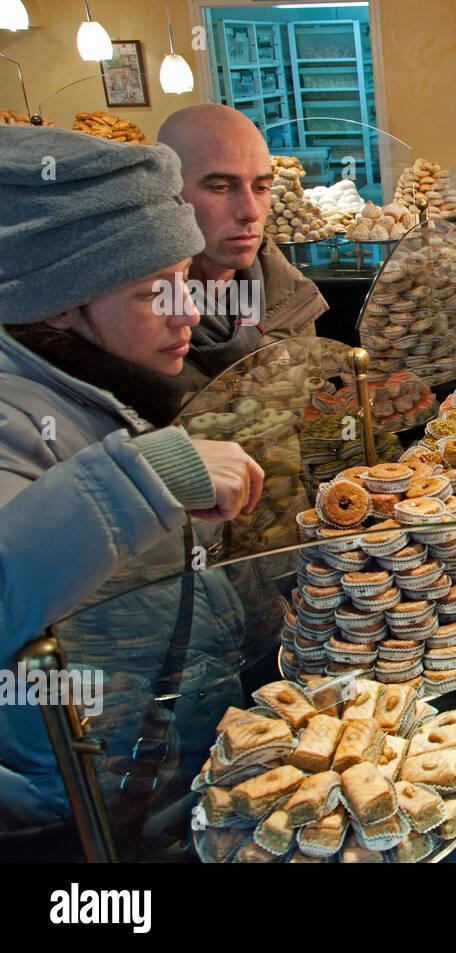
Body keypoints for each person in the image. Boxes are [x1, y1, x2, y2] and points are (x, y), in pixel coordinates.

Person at [0, 125, 265, 837]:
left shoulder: (98, 386)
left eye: (184, 281)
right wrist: (151, 475)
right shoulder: (13, 409)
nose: (188, 312)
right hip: (80, 814)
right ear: (58, 302)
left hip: (155, 776)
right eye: (154, 292)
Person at [157, 104, 327, 396]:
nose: (250, 211)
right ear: (165, 193)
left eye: (261, 188)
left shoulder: (289, 299)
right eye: (221, 187)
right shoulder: (134, 323)